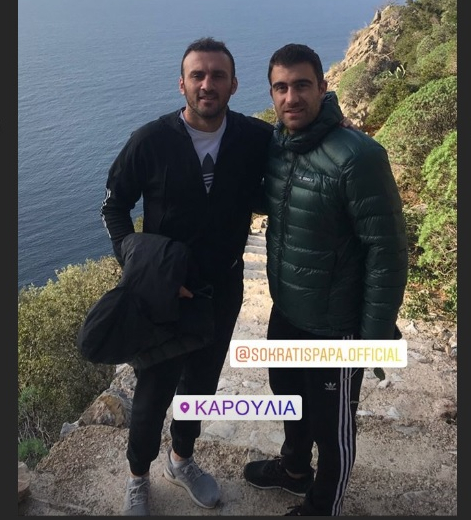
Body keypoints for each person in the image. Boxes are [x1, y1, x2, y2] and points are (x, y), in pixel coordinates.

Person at [100, 37, 273, 515]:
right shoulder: (150, 140)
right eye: (198, 75)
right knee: (153, 390)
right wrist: (142, 269)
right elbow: (114, 207)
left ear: (234, 85)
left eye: (218, 75)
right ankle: (138, 477)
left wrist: (335, 118)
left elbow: (302, 140)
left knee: (201, 384)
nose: (207, 84)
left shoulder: (255, 138)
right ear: (182, 84)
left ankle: (181, 460)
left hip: (224, 289)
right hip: (164, 294)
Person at [243, 43, 408, 517]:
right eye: (280, 87)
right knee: (287, 396)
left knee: (331, 425)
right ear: (271, 94)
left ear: (322, 86)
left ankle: (324, 506)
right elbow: (271, 195)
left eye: (301, 85)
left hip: (337, 325)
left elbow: (387, 252)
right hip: (288, 309)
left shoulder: (359, 156)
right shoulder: (278, 144)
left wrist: (373, 339)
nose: (290, 97)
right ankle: (295, 470)